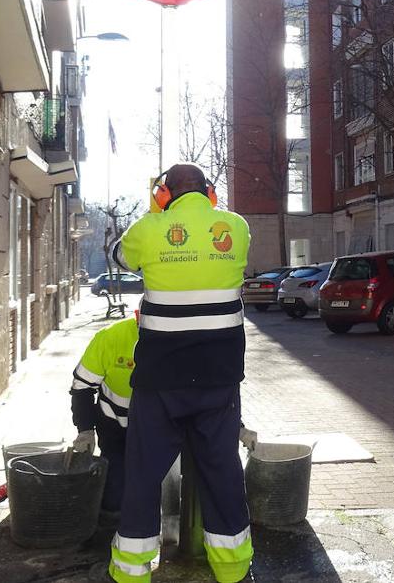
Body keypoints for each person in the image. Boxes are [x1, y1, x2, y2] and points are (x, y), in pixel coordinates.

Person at [107, 164, 254, 583]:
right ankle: (231, 567)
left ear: (164, 195)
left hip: (160, 380)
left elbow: (119, 255)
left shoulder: (149, 228)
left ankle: (132, 571)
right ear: (209, 192)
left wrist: (154, 214)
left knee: (143, 474)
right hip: (218, 377)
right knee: (222, 468)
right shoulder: (236, 227)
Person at [68, 315, 139, 517]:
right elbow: (82, 387)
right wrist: (85, 430)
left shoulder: (176, 339)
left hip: (159, 432)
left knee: (156, 494)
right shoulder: (110, 337)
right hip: (115, 427)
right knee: (113, 499)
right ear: (137, 317)